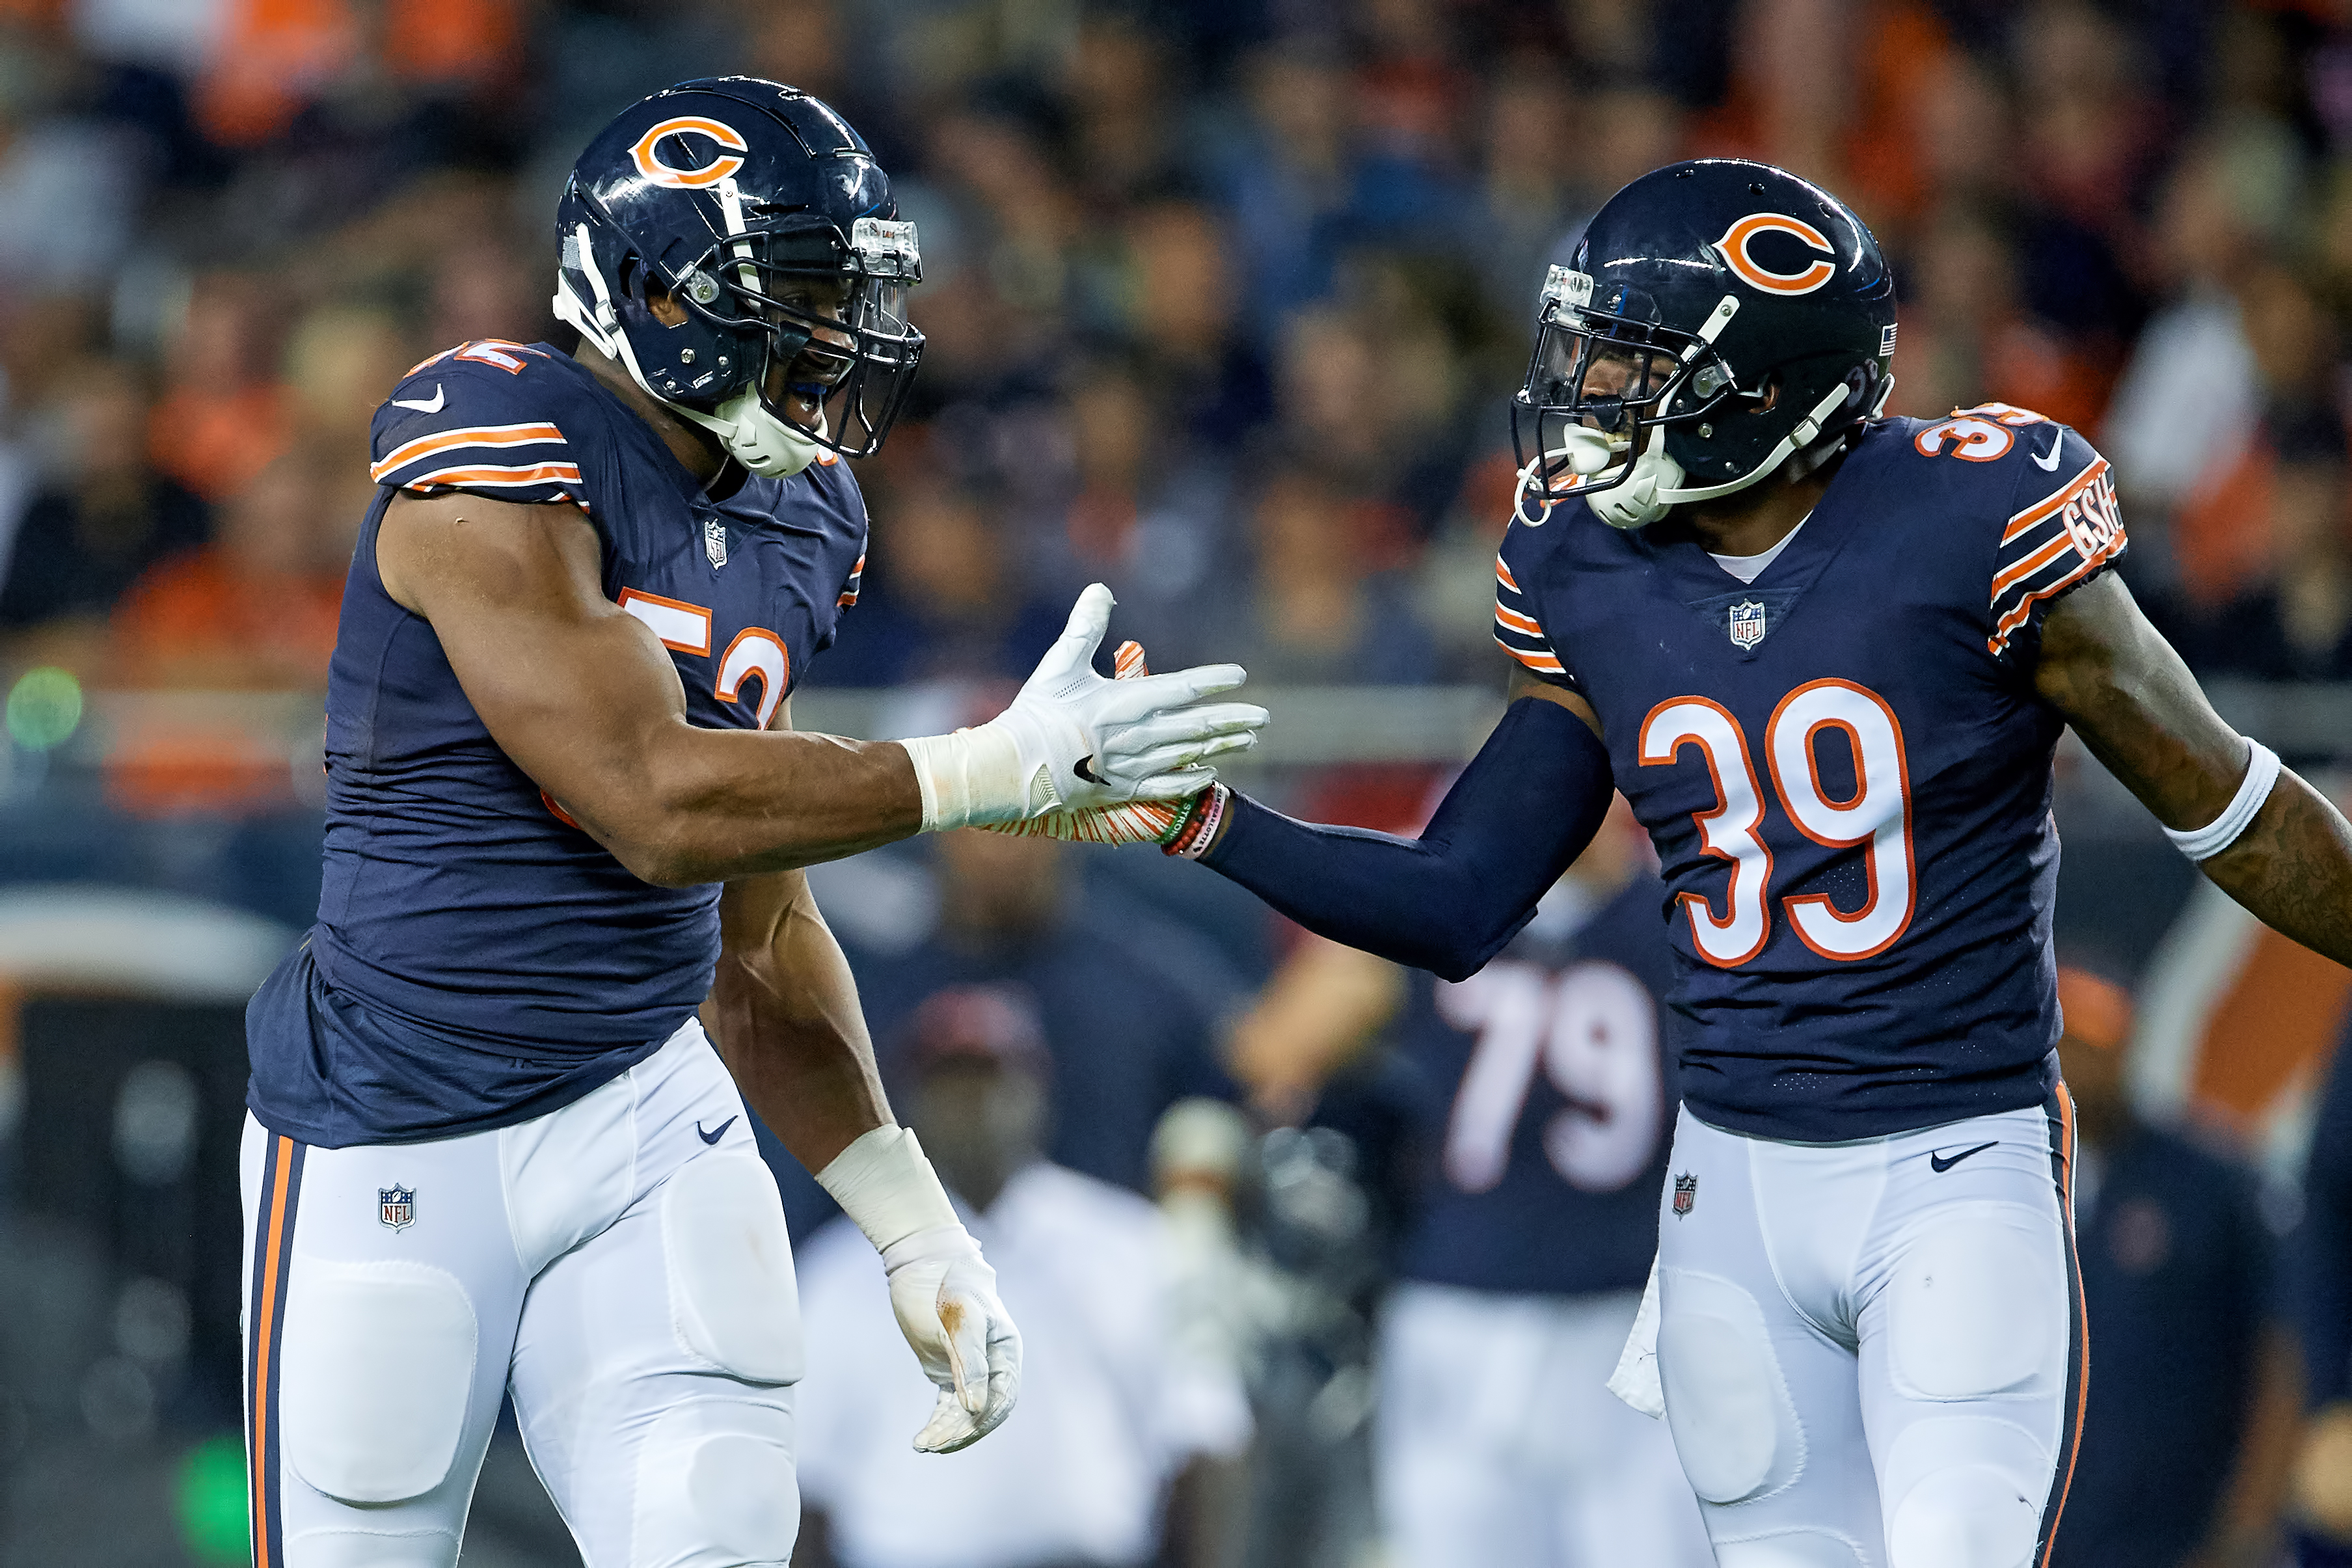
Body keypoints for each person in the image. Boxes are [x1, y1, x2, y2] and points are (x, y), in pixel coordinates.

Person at [1022, 158, 2352, 1567]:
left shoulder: (1978, 516)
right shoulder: (1577, 560)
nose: (1590, 391)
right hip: (1729, 1183)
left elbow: (2236, 807)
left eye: (1636, 361)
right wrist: (1203, 820)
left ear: (1766, 389)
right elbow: (1460, 897)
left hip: (1952, 1164)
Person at [236, 78, 1264, 1568]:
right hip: (396, 1110)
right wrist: (985, 769)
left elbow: (755, 922)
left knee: (715, 1534)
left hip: (648, 1106)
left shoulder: (803, 514)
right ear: (653, 295)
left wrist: (913, 1220)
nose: (831, 338)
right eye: (789, 294)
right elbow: (654, 799)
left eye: (842, 295)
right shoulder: (491, 443)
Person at [1223, 800, 1710, 1568]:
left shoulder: (1659, 915)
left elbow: (1267, 1049)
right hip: (1492, 1301)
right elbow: (1271, 1051)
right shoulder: (1687, 916)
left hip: (1607, 1314)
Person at [793, 984, 1252, 1568]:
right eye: (952, 1082)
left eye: (993, 1077)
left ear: (1038, 1092)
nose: (974, 1103)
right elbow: (808, 1483)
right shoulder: (842, 1270)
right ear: (910, 1104)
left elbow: (1203, 1440)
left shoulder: (1130, 1246)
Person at [2044, 966, 2298, 1568]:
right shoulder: (1998, 1176)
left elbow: (2282, 1351)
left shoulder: (2209, 1181)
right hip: (2034, 1532)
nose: (2075, 1070)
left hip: (2174, 1535)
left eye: (2093, 1048)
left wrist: (2249, 1522)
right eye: (2062, 1049)